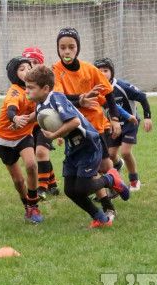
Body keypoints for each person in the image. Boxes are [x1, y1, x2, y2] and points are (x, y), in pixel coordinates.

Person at [25, 65, 130, 228]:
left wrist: (55, 135)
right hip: (73, 148)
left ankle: (111, 178)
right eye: (26, 87)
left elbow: (75, 121)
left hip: (87, 145)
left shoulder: (56, 98)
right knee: (70, 190)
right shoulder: (40, 102)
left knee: (83, 188)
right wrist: (23, 120)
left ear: (45, 88)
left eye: (31, 88)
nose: (27, 91)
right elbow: (38, 115)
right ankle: (100, 218)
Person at [52, 27, 122, 221]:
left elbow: (108, 94)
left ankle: (114, 181)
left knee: (105, 165)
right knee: (91, 171)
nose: (66, 51)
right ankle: (108, 207)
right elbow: (58, 98)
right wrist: (79, 100)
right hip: (74, 129)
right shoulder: (55, 71)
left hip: (95, 126)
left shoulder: (90, 69)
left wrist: (115, 119)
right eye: (62, 47)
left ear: (78, 48)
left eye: (71, 47)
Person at [0, 56, 43, 223]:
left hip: (23, 135)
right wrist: (15, 119)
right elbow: (10, 111)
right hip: (4, 139)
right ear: (14, 75)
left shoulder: (36, 89)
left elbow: (44, 108)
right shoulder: (14, 91)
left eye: (29, 67)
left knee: (31, 165)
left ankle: (34, 205)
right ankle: (26, 206)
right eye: (22, 69)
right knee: (18, 180)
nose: (27, 71)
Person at [94, 57, 153, 191]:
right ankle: (118, 164)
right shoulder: (96, 90)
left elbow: (142, 97)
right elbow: (110, 106)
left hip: (129, 124)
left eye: (106, 70)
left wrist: (147, 117)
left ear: (112, 72)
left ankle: (134, 180)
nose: (102, 73)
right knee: (111, 155)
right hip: (112, 126)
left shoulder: (122, 86)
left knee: (126, 152)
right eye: (99, 71)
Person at [22, 46, 60, 200]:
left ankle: (41, 189)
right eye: (28, 62)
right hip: (33, 124)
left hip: (46, 122)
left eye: (35, 61)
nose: (32, 65)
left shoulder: (47, 82)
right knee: (41, 154)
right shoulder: (24, 84)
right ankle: (53, 185)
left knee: (41, 152)